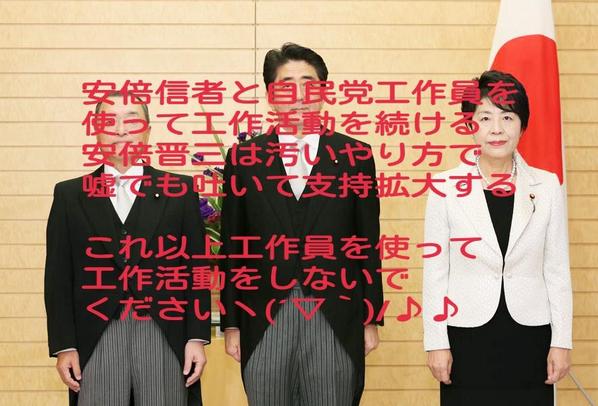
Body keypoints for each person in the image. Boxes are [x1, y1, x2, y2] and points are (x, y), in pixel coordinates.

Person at [219, 43, 384, 406]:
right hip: (263, 314)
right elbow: (232, 245)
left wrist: (370, 317)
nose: (298, 95)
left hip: (335, 313)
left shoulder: (355, 156)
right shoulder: (244, 159)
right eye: (286, 85)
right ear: (270, 96)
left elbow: (367, 242)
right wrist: (231, 322)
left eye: (309, 84)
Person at [44, 93, 211, 405]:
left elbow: (197, 269)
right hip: (95, 335)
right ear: (97, 130)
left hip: (164, 332)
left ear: (147, 131)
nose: (121, 130)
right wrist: (65, 345)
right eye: (110, 121)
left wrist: (196, 337)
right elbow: (58, 278)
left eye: (131, 121)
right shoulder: (69, 196)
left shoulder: (180, 191)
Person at [422, 70, 573, 405]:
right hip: (466, 335)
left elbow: (557, 270)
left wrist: (562, 341)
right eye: (485, 117)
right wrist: (436, 342)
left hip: (531, 335)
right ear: (470, 124)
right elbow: (435, 273)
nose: (496, 129)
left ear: (522, 124)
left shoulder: (546, 186)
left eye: (507, 117)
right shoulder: (445, 187)